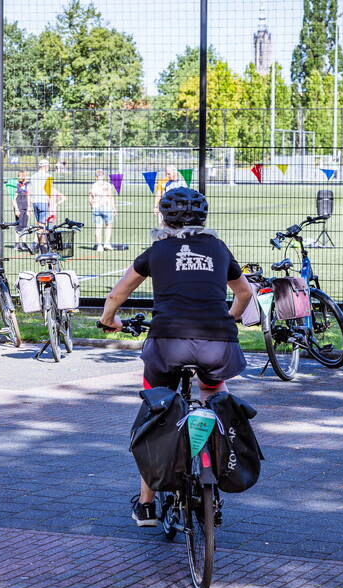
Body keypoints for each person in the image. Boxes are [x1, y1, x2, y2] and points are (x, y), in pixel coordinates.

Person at [98, 187, 251, 527]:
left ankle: (147, 504)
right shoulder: (218, 249)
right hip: (216, 344)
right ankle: (218, 466)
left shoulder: (157, 251)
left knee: (156, 411)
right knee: (215, 397)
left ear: (163, 218)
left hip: (167, 344)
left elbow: (117, 294)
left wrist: (109, 321)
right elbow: (244, 293)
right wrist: (230, 318)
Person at [88, 169, 117, 251]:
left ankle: (99, 245)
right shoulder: (108, 185)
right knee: (108, 225)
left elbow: (90, 199)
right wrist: (113, 208)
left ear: (96, 177)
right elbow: (111, 197)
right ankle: (107, 243)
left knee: (98, 227)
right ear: (103, 176)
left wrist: (92, 206)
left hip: (96, 207)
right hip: (106, 207)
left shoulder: (93, 186)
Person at [28, 159, 51, 225]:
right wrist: (50, 203)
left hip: (35, 202)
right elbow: (48, 191)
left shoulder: (33, 176)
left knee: (38, 223)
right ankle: (42, 235)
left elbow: (30, 190)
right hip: (43, 201)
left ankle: (38, 235)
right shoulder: (48, 176)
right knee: (43, 224)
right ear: (45, 166)